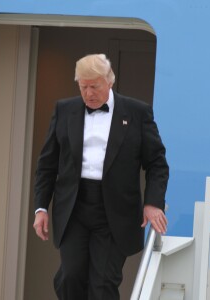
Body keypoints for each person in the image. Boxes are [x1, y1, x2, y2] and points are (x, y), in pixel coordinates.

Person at [33, 53, 169, 300]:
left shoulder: (137, 113)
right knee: (70, 276)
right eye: (83, 86)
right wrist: (40, 207)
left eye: (94, 86)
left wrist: (152, 203)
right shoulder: (65, 110)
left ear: (110, 81)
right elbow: (47, 164)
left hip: (114, 211)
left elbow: (157, 163)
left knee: (103, 283)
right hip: (73, 206)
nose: (88, 93)